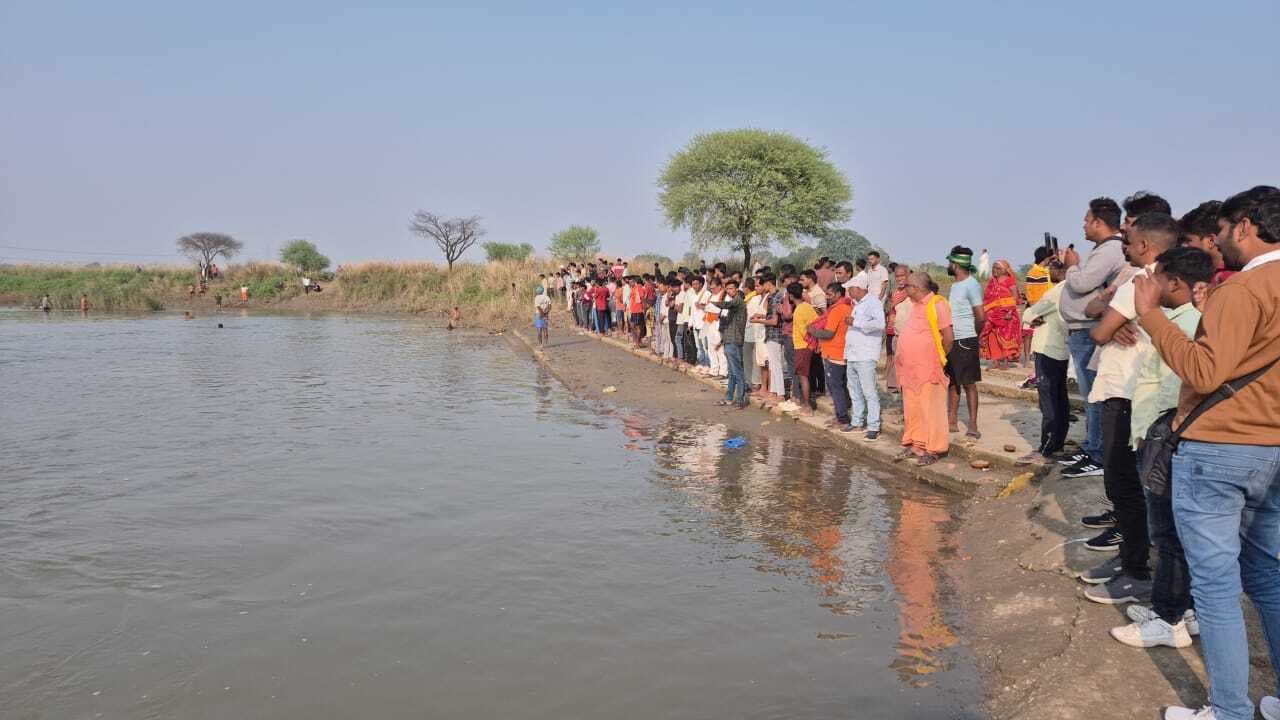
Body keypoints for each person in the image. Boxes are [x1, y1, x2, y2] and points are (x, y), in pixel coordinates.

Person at [1137, 187, 1280, 720]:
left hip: (1220, 449)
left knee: (1216, 586)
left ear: (1245, 226)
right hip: (1273, 448)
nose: (1217, 241)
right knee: (1266, 574)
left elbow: (1203, 372)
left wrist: (1150, 315)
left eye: (1222, 230)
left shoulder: (1242, 290)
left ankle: (1228, 710)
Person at [1107, 246, 1210, 650]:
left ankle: (1169, 619)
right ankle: (1180, 607)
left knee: (1169, 533)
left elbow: (1178, 388)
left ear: (1175, 284)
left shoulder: (1189, 324)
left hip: (1169, 439)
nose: (1147, 285)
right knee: (1170, 532)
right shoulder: (1173, 320)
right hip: (1157, 435)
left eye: (1156, 277)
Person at [1077, 211, 1179, 578]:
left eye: (1129, 240)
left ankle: (1134, 565)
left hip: (1124, 392)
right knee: (1139, 481)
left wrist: (1111, 321)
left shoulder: (1138, 279)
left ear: (1145, 245)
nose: (1124, 245)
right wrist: (1114, 319)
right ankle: (1138, 557)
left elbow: (1099, 333)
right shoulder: (1169, 280)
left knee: (1122, 481)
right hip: (1148, 392)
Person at [1057, 197, 1127, 478]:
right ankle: (1091, 446)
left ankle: (1097, 453)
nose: (1083, 225)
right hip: (1082, 329)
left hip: (1089, 329)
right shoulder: (1103, 250)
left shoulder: (1110, 250)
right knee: (1090, 396)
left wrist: (1071, 266)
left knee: (1095, 396)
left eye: (1087, 220)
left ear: (1099, 222)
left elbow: (1083, 282)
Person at [895, 271, 954, 466]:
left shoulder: (938, 304)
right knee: (913, 409)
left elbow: (948, 337)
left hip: (929, 368)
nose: (904, 288)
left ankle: (934, 449)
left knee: (932, 409)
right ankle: (916, 445)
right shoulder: (915, 306)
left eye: (908, 286)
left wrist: (940, 358)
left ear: (918, 288)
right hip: (911, 370)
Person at [1018, 258, 1069, 464]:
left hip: (1048, 349)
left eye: (1053, 267)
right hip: (1060, 349)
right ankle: (1057, 443)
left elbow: (1030, 312)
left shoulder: (1055, 292)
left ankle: (1047, 447)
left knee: (1049, 401)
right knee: (1059, 399)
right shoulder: (1069, 289)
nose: (1049, 271)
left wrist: (1031, 316)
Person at [945, 246, 985, 438]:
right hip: (953, 339)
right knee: (952, 382)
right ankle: (951, 420)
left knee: (969, 383)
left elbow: (980, 317)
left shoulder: (972, 285)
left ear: (955, 264)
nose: (948, 266)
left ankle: (973, 425)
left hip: (966, 339)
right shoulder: (955, 285)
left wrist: (973, 336)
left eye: (949, 263)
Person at [845, 275, 886, 441]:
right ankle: (857, 422)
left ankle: (873, 426)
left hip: (866, 354)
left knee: (869, 391)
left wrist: (856, 322)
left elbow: (879, 324)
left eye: (850, 288)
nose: (847, 291)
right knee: (854, 390)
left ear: (858, 289)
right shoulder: (857, 304)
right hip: (853, 353)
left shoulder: (873, 303)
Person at [809, 282, 854, 430]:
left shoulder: (837, 310)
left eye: (829, 294)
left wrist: (812, 330)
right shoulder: (849, 307)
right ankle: (841, 416)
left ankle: (842, 419)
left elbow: (828, 333)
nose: (827, 297)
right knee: (842, 387)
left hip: (834, 353)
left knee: (836, 388)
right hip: (844, 352)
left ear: (838, 294)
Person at [1179, 200, 1235, 287]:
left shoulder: (1229, 278)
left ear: (1211, 241)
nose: (1183, 245)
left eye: (1188, 240)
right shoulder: (1199, 273)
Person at [979, 259, 1022, 370]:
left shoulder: (1009, 281)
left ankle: (1005, 363)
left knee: (1005, 337)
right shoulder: (991, 282)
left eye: (998, 268)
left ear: (1005, 270)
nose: (995, 270)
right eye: (993, 268)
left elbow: (1015, 297)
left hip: (1007, 314)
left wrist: (1009, 312)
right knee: (993, 337)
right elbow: (987, 298)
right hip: (992, 314)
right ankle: (996, 361)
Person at [750, 273, 785, 402]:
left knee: (776, 366)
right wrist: (761, 316)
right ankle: (774, 392)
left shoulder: (776, 297)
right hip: (770, 334)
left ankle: (780, 394)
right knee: (773, 365)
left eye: (762, 284)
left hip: (775, 334)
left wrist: (758, 321)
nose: (761, 287)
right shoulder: (773, 296)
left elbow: (775, 321)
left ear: (768, 283)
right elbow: (771, 317)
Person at [715, 278, 749, 408]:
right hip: (729, 340)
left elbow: (726, 305)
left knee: (738, 372)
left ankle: (740, 400)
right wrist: (721, 341)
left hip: (735, 341)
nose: (729, 291)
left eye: (731, 288)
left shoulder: (737, 302)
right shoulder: (732, 304)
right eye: (727, 288)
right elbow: (728, 325)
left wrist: (712, 303)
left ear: (736, 289)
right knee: (732, 372)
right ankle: (729, 398)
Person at [786, 282, 817, 415]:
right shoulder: (808, 307)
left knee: (803, 377)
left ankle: (807, 406)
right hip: (810, 346)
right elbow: (817, 323)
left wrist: (809, 343)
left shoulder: (798, 311)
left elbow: (804, 332)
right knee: (805, 375)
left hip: (802, 347)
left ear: (791, 296)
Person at [885, 264, 910, 391]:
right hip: (898, 335)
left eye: (902, 276)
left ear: (908, 275)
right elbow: (893, 311)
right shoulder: (896, 293)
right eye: (897, 276)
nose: (900, 279)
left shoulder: (914, 291)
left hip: (911, 337)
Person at [742, 278, 764, 393]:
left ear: (747, 288)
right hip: (749, 331)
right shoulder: (749, 298)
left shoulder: (755, 299)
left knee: (753, 359)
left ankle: (754, 382)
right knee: (749, 358)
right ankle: (750, 381)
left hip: (752, 332)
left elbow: (753, 317)